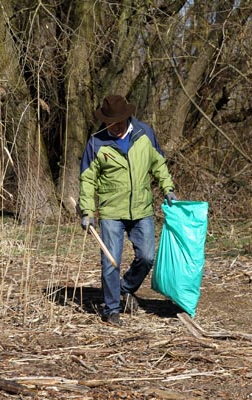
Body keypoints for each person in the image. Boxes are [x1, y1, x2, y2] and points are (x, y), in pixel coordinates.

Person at [79, 94, 177, 326]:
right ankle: (112, 309)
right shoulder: (96, 143)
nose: (114, 128)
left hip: (141, 208)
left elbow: (158, 164)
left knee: (146, 257)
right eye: (109, 124)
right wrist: (87, 211)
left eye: (118, 123)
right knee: (110, 261)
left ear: (127, 117)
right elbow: (87, 180)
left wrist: (168, 188)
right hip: (112, 211)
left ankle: (125, 288)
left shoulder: (144, 134)